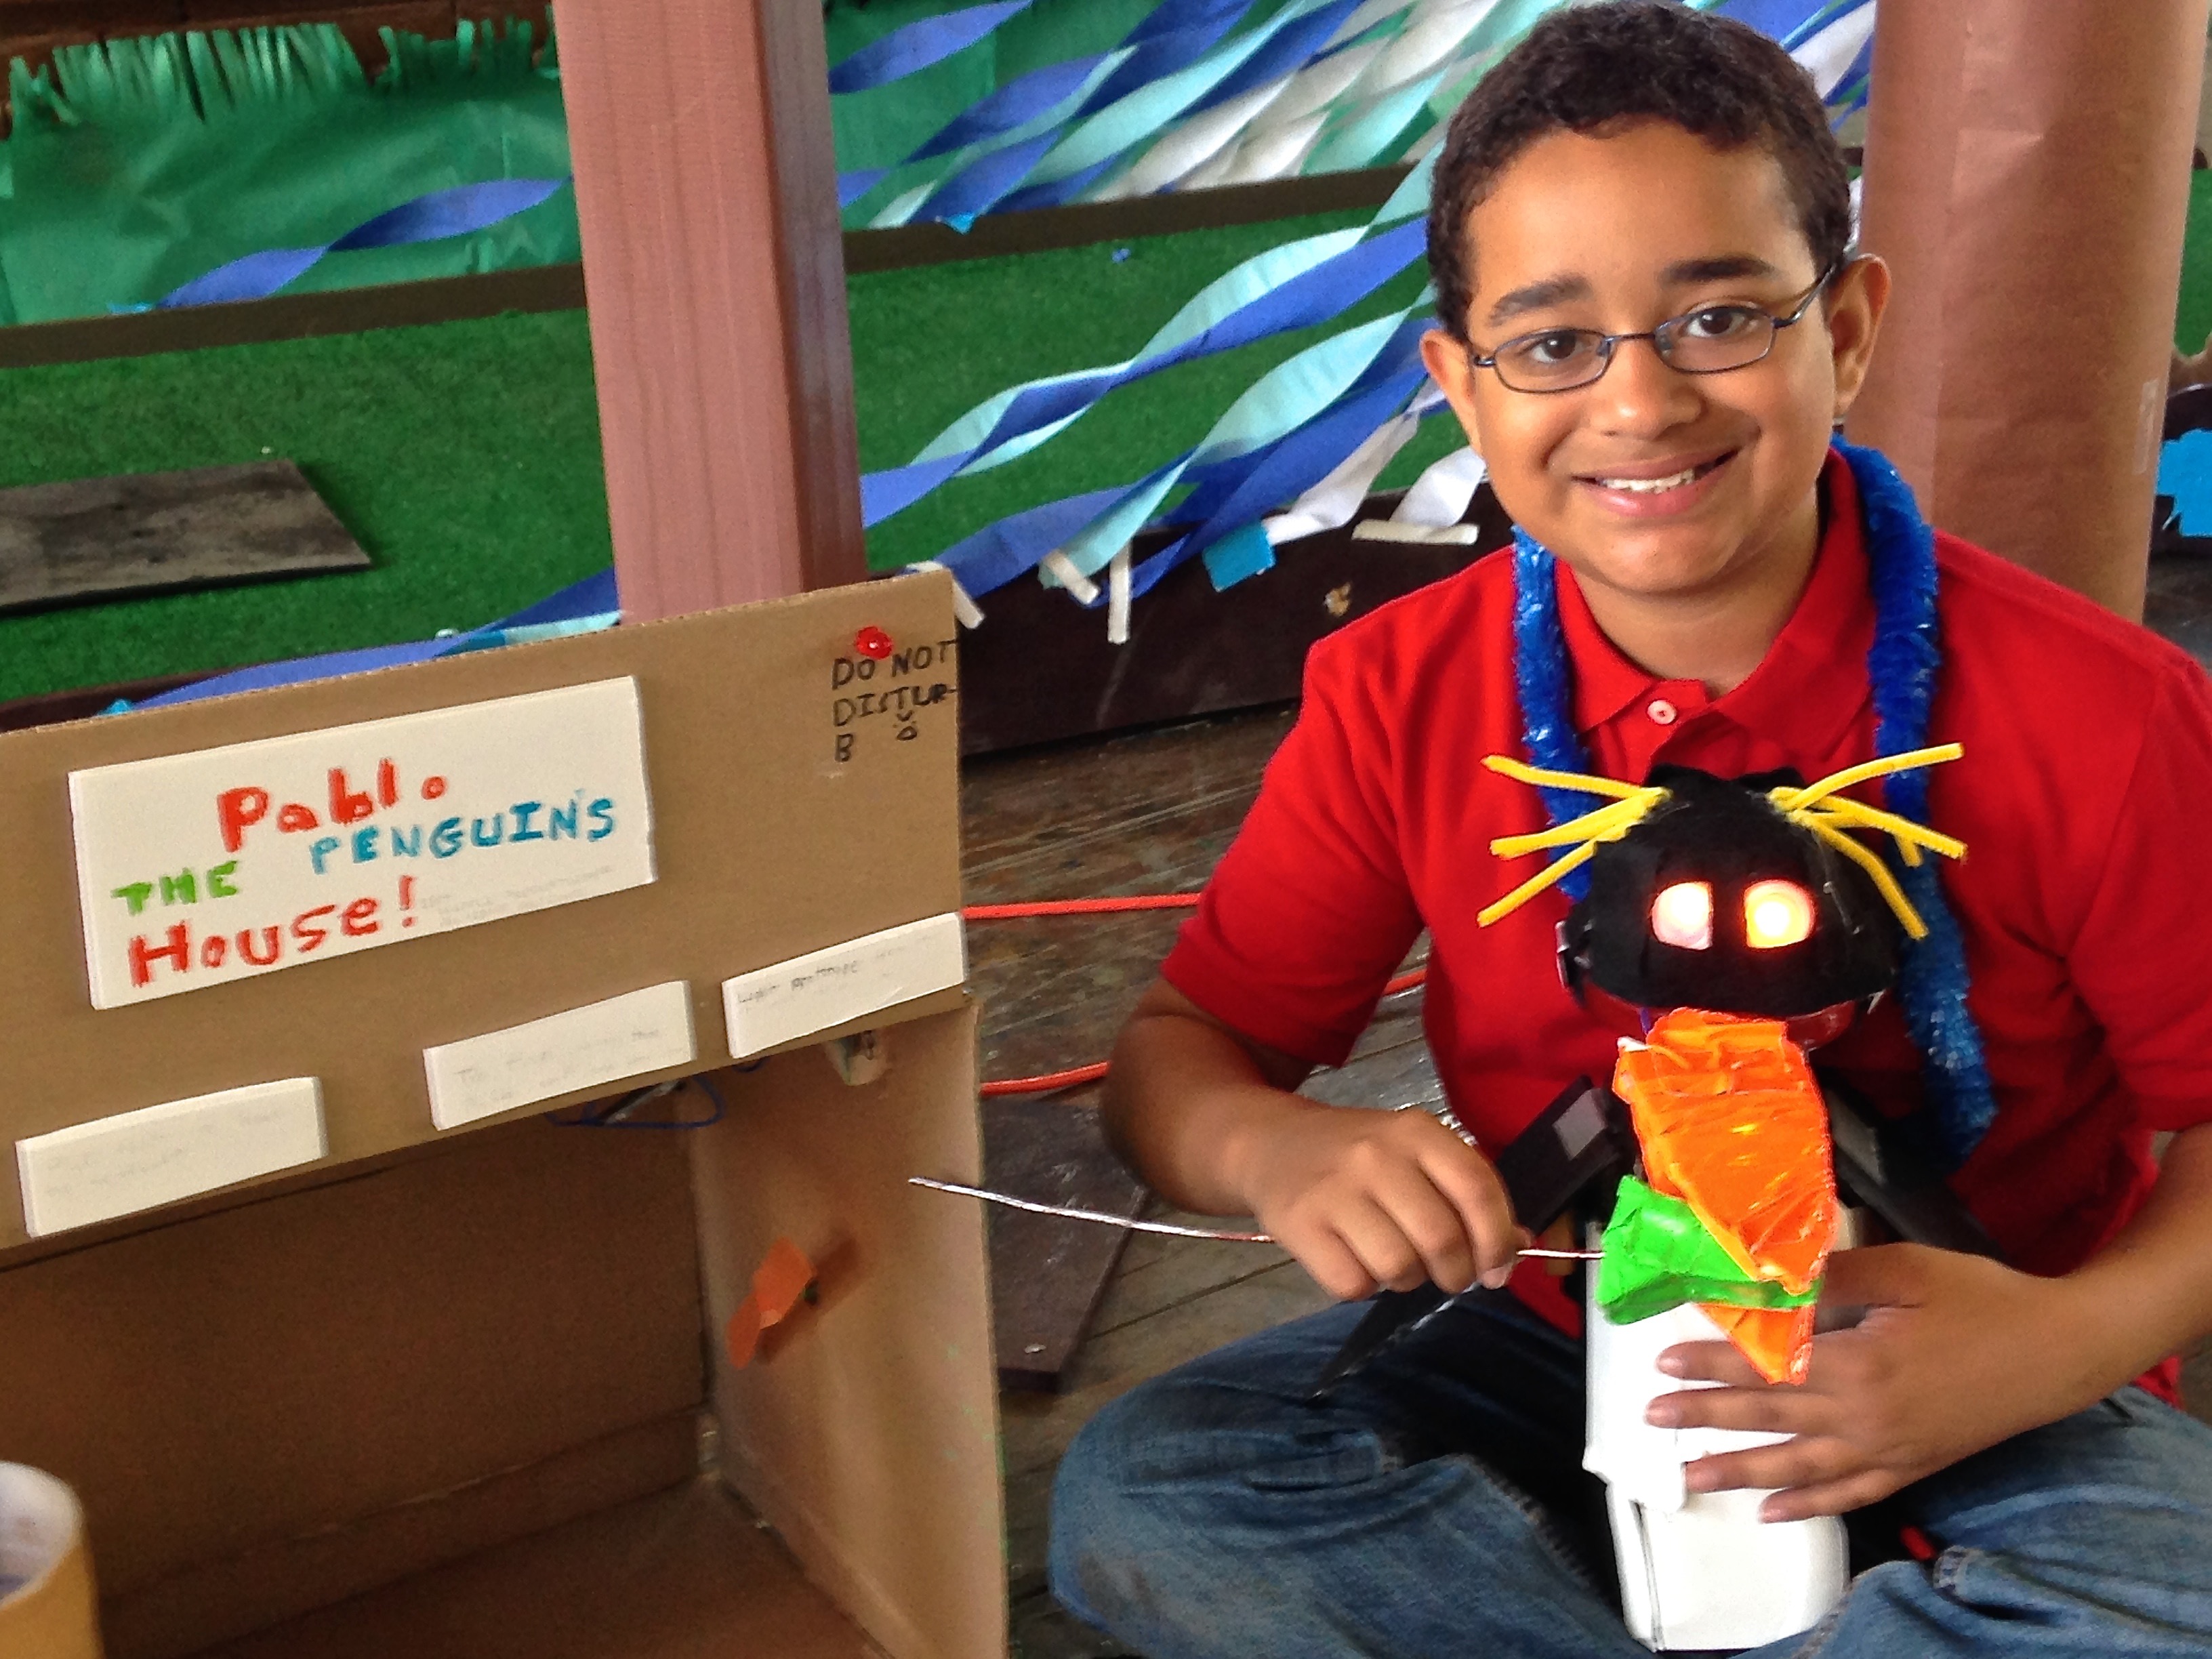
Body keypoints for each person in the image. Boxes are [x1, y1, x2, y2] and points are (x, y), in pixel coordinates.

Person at [1046, 5, 2212, 1656]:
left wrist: (2059, 1341)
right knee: (1155, 1493)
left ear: (1852, 327)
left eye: (1720, 315)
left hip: (1971, 1361)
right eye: (1551, 342)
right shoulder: (1400, 693)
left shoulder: (2103, 711)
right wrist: (1270, 1148)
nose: (1642, 405)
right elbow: (1184, 1053)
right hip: (1554, 1333)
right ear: (1461, 385)